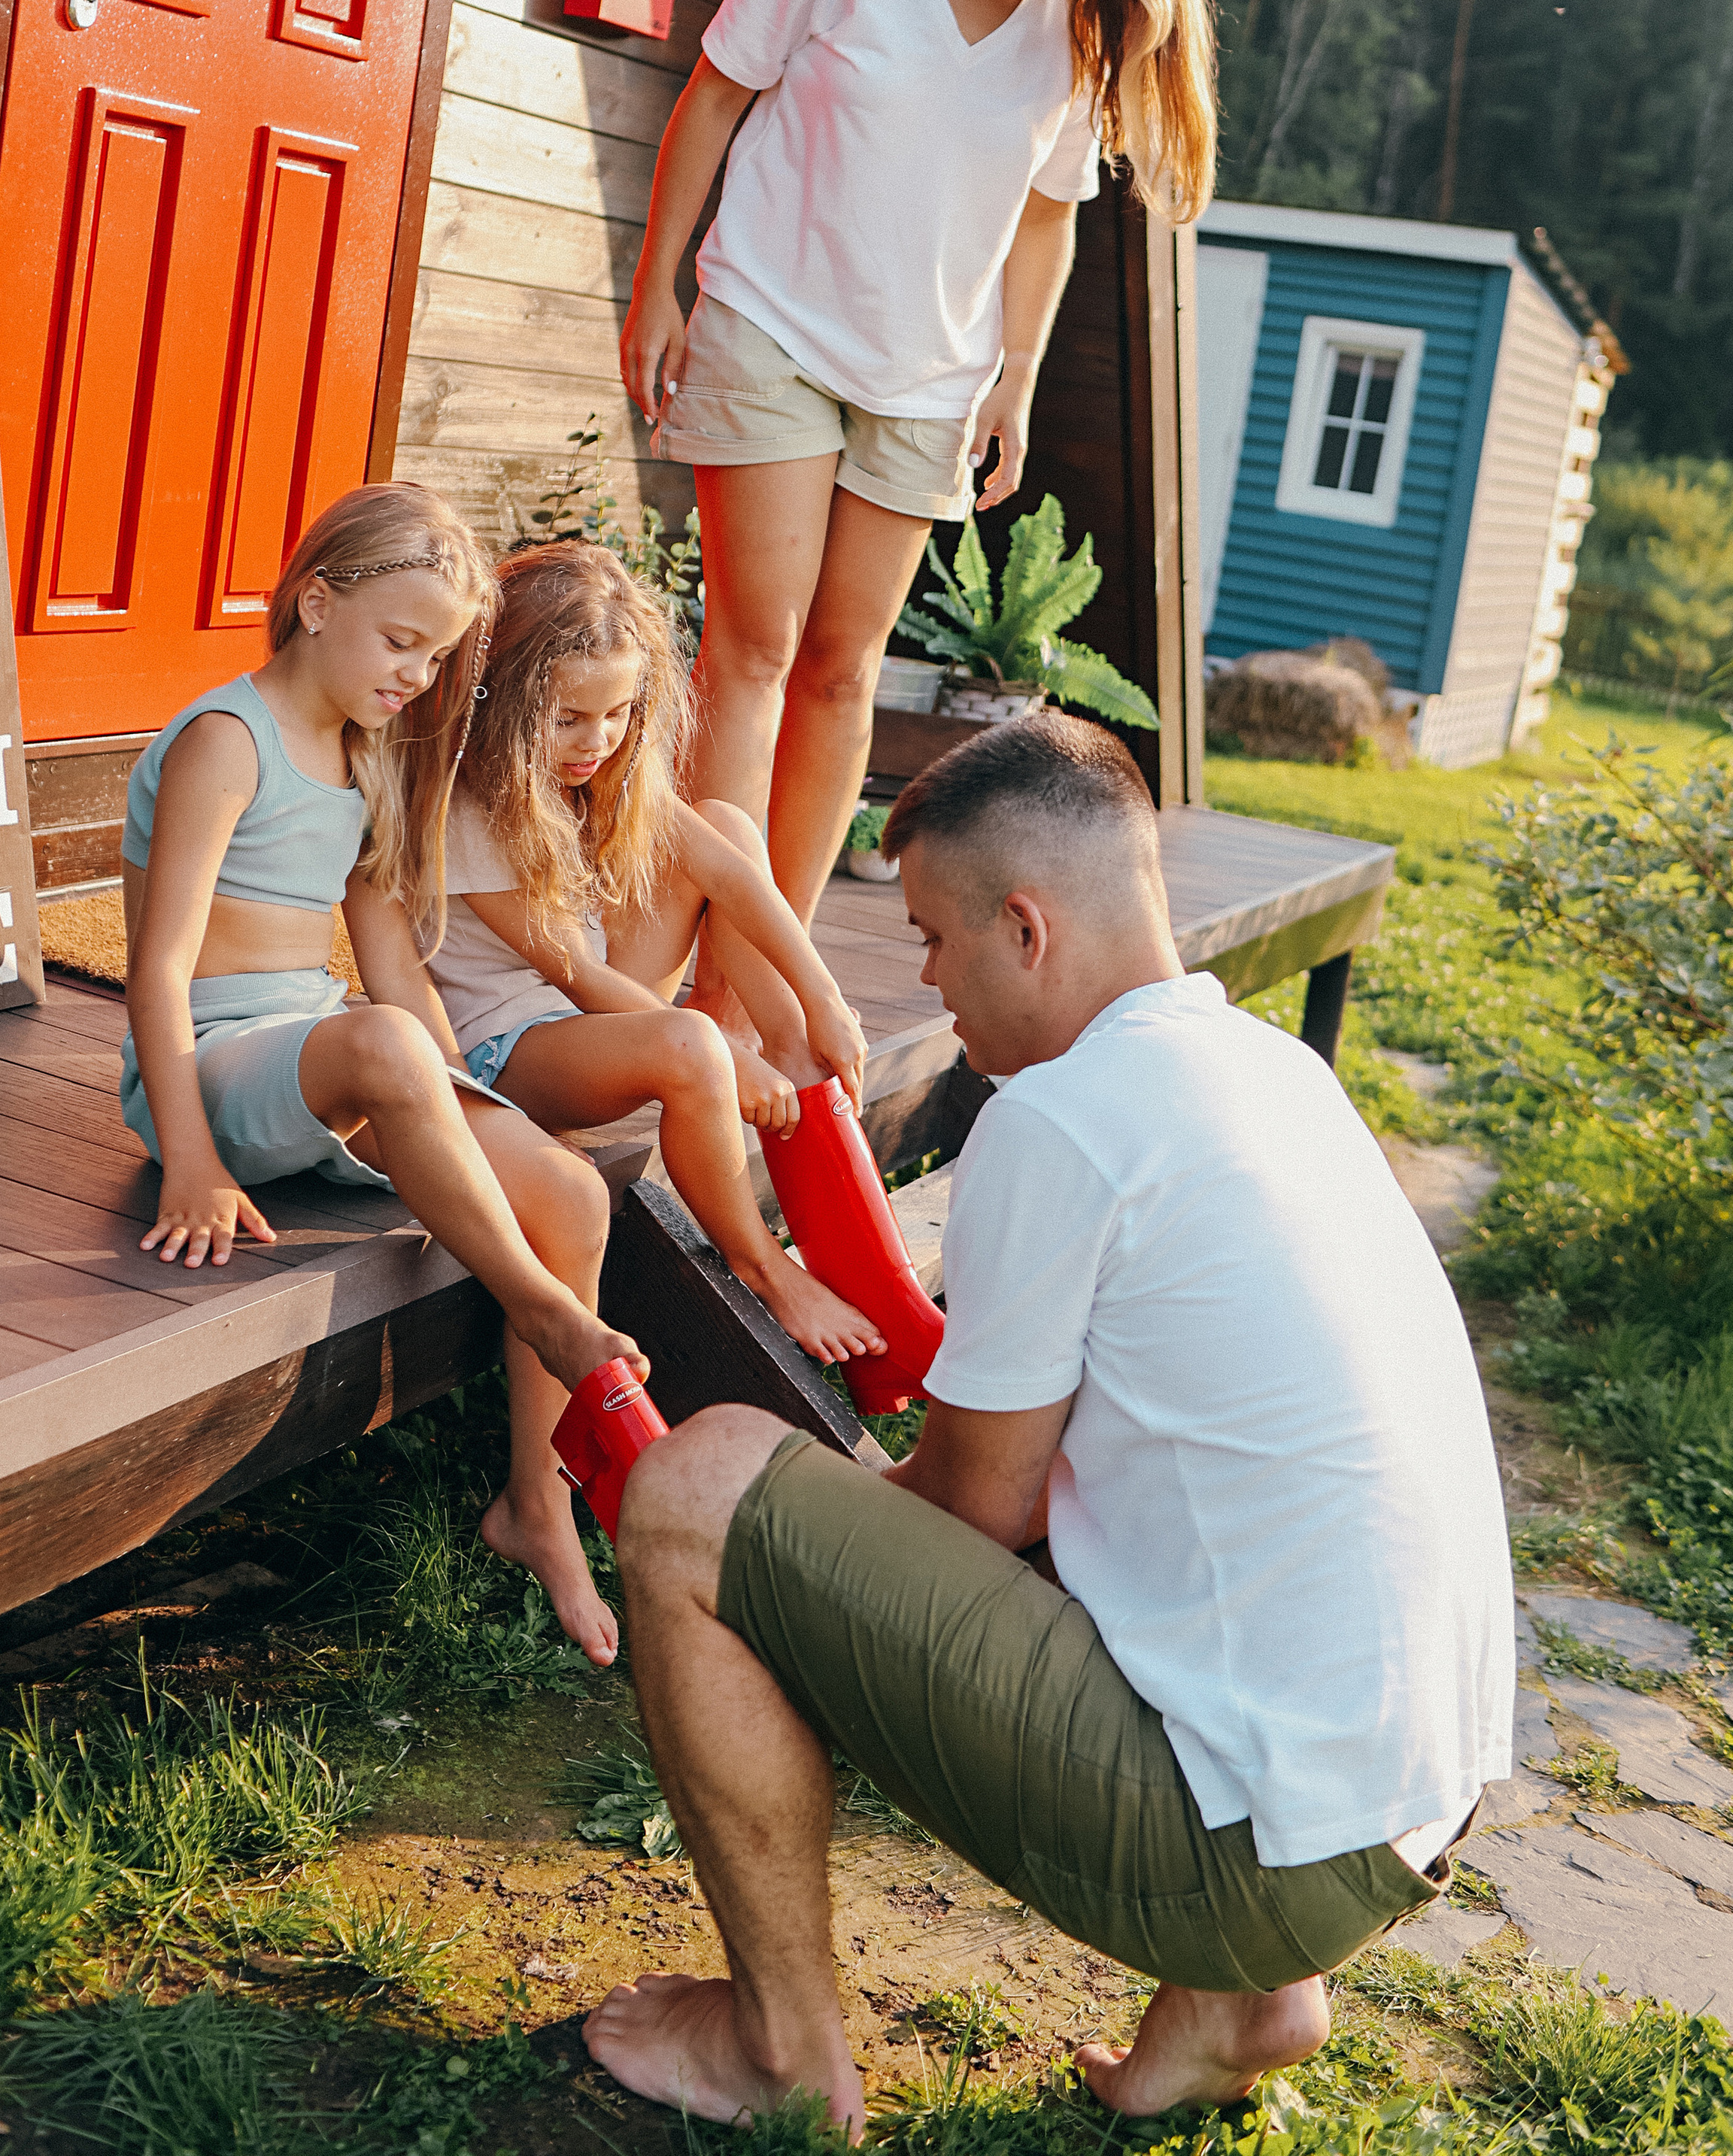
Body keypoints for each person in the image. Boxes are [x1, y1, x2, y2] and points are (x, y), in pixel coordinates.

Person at [583, 714, 1514, 2130]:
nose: (927, 976)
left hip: (1258, 1855)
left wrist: (812, 1526)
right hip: (1406, 1810)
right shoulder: (1279, 1076)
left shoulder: (1063, 1120)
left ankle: (775, 2050)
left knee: (699, 1488)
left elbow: (978, 1511)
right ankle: (1241, 2005)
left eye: (935, 937)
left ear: (1026, 926)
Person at [619, 0, 1219, 924]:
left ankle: (757, 986)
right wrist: (658, 291)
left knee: (844, 674)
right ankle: (668, 958)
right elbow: (711, 98)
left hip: (928, 379)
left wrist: (1019, 376)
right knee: (754, 651)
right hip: (770, 321)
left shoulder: (1077, 36)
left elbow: (1047, 215)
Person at [122, 482, 645, 1669]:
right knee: (385, 1043)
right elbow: (156, 970)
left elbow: (384, 969)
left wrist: (472, 1103)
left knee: (571, 1193)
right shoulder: (226, 739)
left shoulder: (361, 756)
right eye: (401, 642)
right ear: (315, 602)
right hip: (206, 1069)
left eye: (436, 654)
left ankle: (536, 1506)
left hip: (320, 1045)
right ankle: (548, 1313)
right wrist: (190, 1162)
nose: (416, 675)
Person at [420, 540, 882, 1366]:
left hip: (585, 1010)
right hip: (507, 1053)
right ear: (502, 700)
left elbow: (731, 882)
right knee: (691, 1043)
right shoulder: (470, 808)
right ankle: (761, 1264)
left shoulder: (600, 769)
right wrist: (718, 1060)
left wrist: (821, 1002)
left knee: (725, 829)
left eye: (618, 712)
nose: (595, 740)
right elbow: (578, 975)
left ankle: (790, 1056)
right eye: (566, 718)